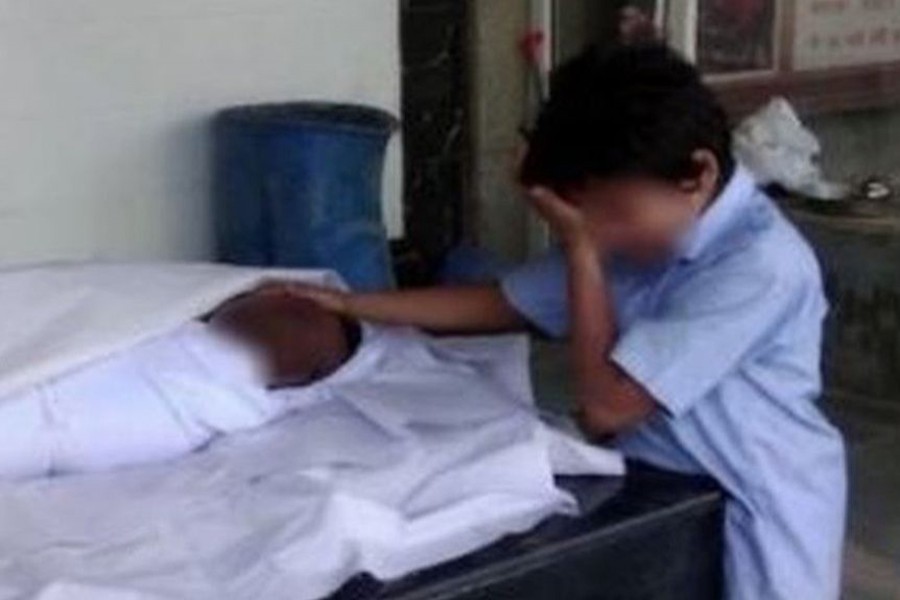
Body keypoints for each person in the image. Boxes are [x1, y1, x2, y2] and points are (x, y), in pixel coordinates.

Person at [283, 45, 847, 600]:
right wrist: (349, 305)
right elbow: (500, 304)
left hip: (761, 496)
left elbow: (608, 406)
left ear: (698, 174)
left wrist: (580, 245)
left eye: (618, 213)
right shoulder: (634, 230)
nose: (604, 233)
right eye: (586, 216)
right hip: (665, 481)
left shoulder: (759, 265)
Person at [0, 291, 361, 478]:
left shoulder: (240, 405)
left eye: (300, 322)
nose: (285, 326)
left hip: (44, 425)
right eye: (291, 310)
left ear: (305, 380)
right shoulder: (178, 327)